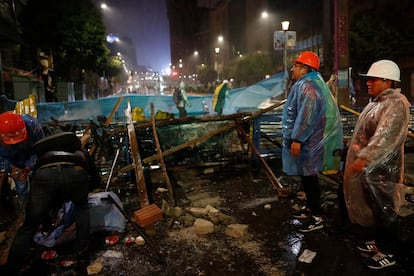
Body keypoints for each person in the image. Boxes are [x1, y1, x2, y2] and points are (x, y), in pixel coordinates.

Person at [343, 60, 410, 269]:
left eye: (373, 79)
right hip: (370, 170)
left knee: (386, 211)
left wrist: (365, 157)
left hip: (383, 171)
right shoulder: (376, 103)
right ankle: (377, 244)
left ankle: (389, 253)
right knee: (373, 208)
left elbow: (385, 136)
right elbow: (365, 132)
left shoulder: (396, 104)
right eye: (368, 79)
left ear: (388, 81)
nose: (368, 83)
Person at [3, 131, 101, 274]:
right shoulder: (81, 152)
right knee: (82, 208)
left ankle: (11, 268)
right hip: (75, 172)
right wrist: (83, 193)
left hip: (45, 175)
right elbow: (96, 180)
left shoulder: (41, 156)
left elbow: (41, 191)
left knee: (29, 226)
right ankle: (82, 254)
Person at [281, 51, 343, 232]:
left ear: (304, 69)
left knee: (309, 177)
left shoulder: (307, 86)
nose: (292, 69)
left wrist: (297, 139)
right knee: (308, 176)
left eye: (296, 66)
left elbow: (306, 116)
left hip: (308, 142)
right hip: (311, 141)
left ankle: (316, 216)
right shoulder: (312, 83)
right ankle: (311, 209)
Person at [0, 112, 45, 210]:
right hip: (10, 159)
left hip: (31, 154)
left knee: (41, 182)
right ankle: (24, 211)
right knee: (21, 188)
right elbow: (1, 159)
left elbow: (42, 148)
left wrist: (30, 166)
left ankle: (42, 209)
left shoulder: (33, 125)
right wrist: (9, 169)